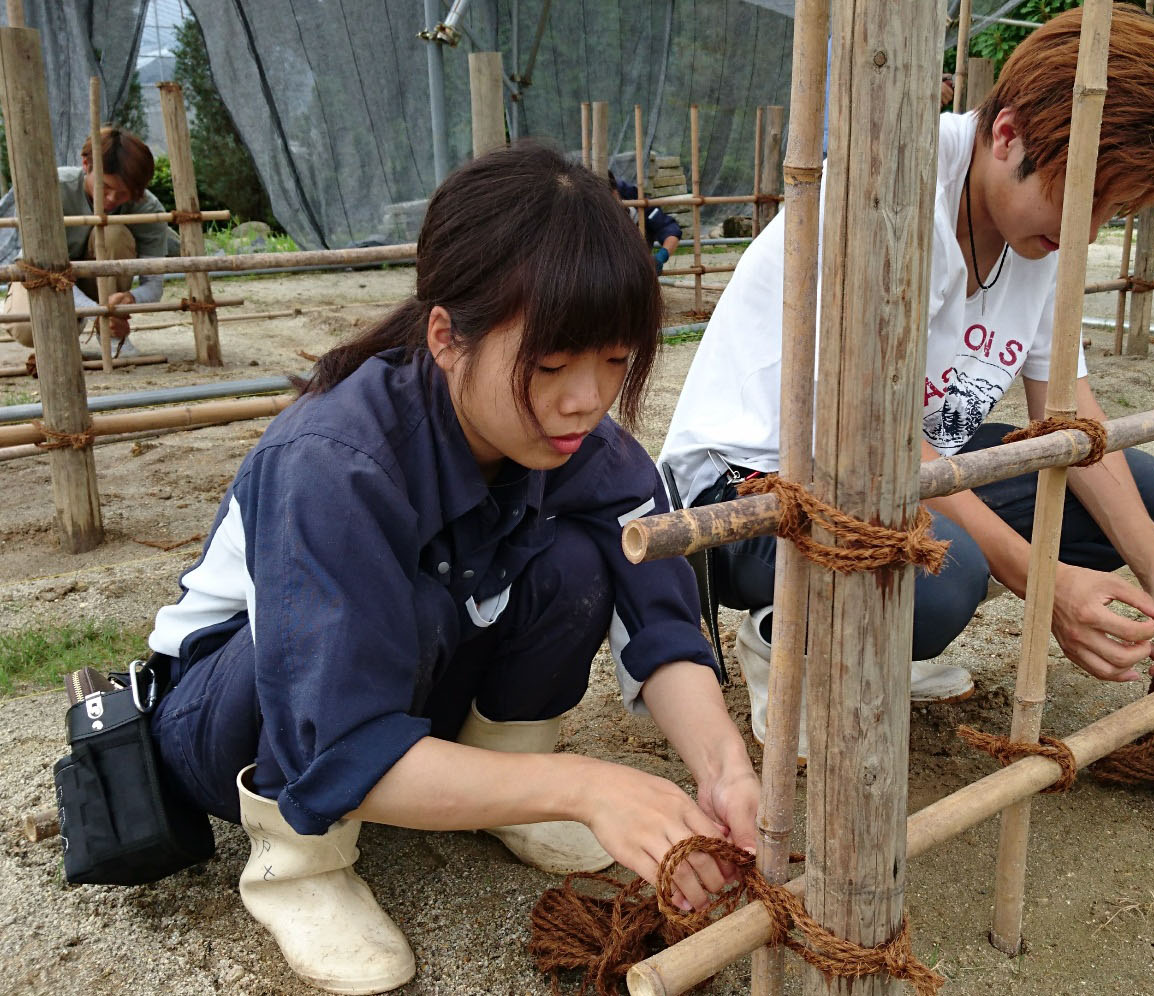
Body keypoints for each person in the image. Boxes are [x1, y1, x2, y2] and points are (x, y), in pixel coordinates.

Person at [141, 142, 759, 995]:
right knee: (418, 601)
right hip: (238, 711)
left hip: (392, 685)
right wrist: (588, 788)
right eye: (550, 366)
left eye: (614, 362)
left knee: (583, 562)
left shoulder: (586, 447)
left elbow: (662, 622)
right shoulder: (335, 463)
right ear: (446, 337)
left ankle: (501, 788)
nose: (587, 399)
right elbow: (334, 731)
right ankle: (300, 865)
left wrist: (725, 765)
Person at [658, 4, 1154, 757]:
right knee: (946, 572)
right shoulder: (888, 193)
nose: (1087, 231)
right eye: (1083, 198)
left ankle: (884, 636)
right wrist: (1045, 587)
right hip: (749, 487)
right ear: (1008, 133)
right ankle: (788, 642)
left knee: (1144, 490)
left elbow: (1068, 418)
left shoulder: (1042, 238)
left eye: (1110, 211)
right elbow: (869, 436)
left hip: (892, 472)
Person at [0, 126, 173, 355]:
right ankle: (75, 318)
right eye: (106, 187)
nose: (111, 199)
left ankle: (110, 335)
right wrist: (97, 313)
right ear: (85, 165)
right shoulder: (50, 190)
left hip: (97, 287)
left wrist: (130, 298)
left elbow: (153, 285)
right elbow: (43, 272)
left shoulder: (148, 209)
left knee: (113, 233)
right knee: (26, 328)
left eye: (123, 193)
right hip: (49, 277)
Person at [610, 170, 682, 273]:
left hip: (636, 265)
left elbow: (669, 229)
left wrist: (661, 257)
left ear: (615, 191)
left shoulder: (633, 196)